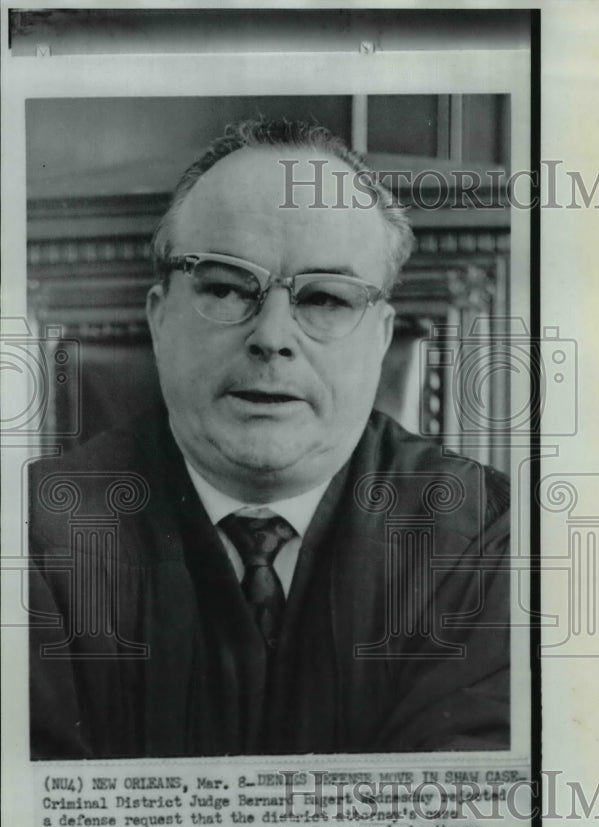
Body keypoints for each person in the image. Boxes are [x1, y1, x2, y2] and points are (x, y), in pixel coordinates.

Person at [29, 119, 510, 760]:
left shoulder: (488, 536)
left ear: (380, 336)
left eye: (327, 299)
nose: (272, 336)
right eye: (227, 287)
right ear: (160, 315)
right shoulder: (27, 536)